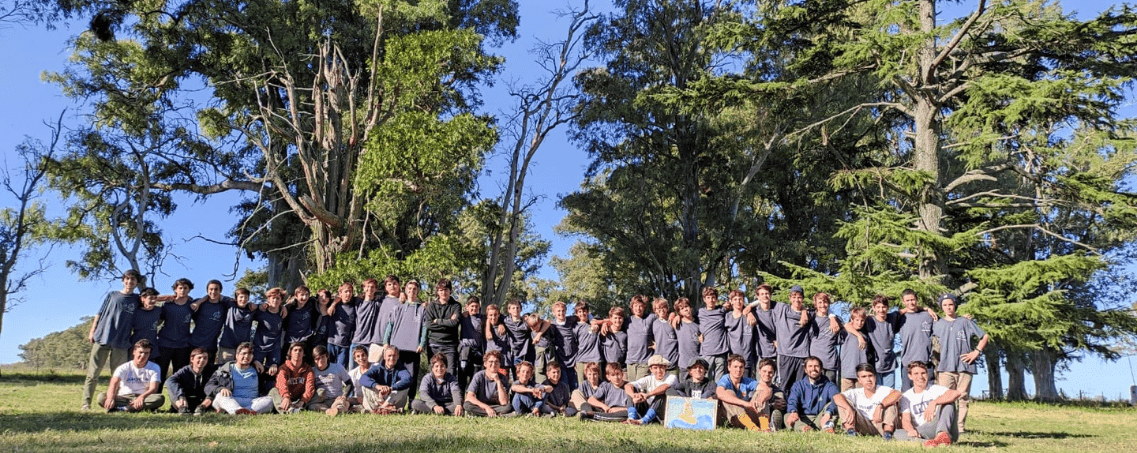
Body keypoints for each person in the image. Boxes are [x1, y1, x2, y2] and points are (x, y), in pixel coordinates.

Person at [82, 269, 141, 411]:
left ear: (136, 283)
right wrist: (92, 331)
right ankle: (86, 404)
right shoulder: (112, 295)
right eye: (127, 279)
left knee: (118, 376)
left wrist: (171, 297)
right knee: (93, 374)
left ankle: (114, 404)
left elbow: (153, 299)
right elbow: (99, 313)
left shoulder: (137, 299)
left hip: (122, 342)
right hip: (103, 338)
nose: (129, 282)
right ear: (123, 280)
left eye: (133, 280)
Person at [932, 293, 988, 434]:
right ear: (941, 307)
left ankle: (960, 427)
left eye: (950, 304)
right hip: (945, 366)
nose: (948, 307)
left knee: (962, 397)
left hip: (964, 365)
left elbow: (984, 336)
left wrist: (976, 352)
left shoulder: (965, 322)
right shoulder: (937, 324)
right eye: (944, 305)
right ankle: (944, 427)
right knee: (944, 398)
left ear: (955, 305)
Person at [898, 361, 961, 447]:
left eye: (923, 373)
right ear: (910, 376)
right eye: (916, 373)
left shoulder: (935, 389)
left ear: (927, 374)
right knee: (897, 433)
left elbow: (956, 393)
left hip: (940, 426)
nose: (920, 377)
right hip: (922, 431)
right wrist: (910, 430)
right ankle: (929, 442)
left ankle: (942, 435)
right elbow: (905, 419)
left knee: (949, 403)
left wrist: (934, 402)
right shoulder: (906, 396)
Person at [833, 363, 901, 439]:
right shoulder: (856, 392)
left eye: (870, 376)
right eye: (864, 377)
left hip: (880, 424)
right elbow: (837, 397)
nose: (868, 380)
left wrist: (880, 406)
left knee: (891, 404)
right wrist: (848, 408)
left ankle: (887, 434)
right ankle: (851, 431)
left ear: (875, 377)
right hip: (863, 425)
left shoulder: (882, 389)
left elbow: (897, 394)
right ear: (859, 380)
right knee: (844, 403)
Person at [205, 342, 274, 414]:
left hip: (252, 402)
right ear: (237, 355)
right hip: (232, 399)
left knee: (269, 400)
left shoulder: (258, 370)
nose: (247, 356)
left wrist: (274, 366)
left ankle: (243, 411)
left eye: (249, 354)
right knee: (220, 396)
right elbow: (208, 386)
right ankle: (239, 410)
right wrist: (221, 388)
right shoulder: (225, 369)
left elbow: (274, 376)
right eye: (243, 353)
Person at [848, 295, 900, 389]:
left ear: (888, 307)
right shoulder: (869, 320)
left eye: (884, 307)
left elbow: (907, 309)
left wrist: (926, 309)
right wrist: (859, 336)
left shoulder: (892, 317)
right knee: (875, 392)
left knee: (889, 392)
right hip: (874, 365)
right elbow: (847, 325)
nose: (881, 310)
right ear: (873, 308)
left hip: (889, 363)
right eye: (878, 307)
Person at [98, 339, 165, 412]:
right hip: (124, 397)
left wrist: (141, 397)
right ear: (134, 352)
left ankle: (124, 409)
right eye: (141, 352)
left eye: (146, 353)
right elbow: (113, 384)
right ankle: (136, 408)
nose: (143, 355)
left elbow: (153, 389)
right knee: (101, 397)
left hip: (143, 397)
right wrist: (110, 398)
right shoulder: (123, 367)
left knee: (159, 398)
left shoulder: (154, 367)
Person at [387, 279, 426, 401]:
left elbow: (425, 328)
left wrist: (422, 343)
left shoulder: (422, 309)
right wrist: (385, 342)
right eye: (409, 289)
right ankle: (393, 401)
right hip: (397, 348)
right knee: (395, 375)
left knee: (411, 377)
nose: (412, 291)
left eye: (414, 289)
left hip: (413, 349)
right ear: (405, 290)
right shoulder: (398, 307)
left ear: (418, 291)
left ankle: (411, 402)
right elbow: (390, 325)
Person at [771, 285, 813, 392]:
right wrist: (748, 307)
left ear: (802, 299)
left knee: (799, 387)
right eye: (794, 297)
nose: (796, 300)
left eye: (799, 297)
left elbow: (824, 310)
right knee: (783, 386)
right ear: (790, 298)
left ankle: (796, 408)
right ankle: (783, 408)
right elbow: (764, 300)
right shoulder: (782, 309)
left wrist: (804, 311)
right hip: (785, 354)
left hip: (801, 355)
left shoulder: (809, 314)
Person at [421, 279, 460, 391]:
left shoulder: (456, 306)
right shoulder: (431, 306)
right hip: (434, 344)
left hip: (450, 345)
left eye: (446, 290)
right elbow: (429, 325)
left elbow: (454, 323)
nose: (443, 293)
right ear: (437, 291)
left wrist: (437, 321)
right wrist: (447, 322)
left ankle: (449, 397)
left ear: (450, 291)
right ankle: (433, 396)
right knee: (434, 372)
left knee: (451, 372)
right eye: (441, 290)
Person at [716, 354, 772, 431]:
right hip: (733, 417)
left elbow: (767, 390)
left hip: (748, 416)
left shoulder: (747, 381)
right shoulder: (725, 379)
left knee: (761, 392)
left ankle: (765, 427)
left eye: (741, 367)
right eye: (735, 367)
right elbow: (720, 393)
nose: (738, 370)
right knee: (728, 393)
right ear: (729, 368)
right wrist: (745, 403)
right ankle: (752, 428)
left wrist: (760, 400)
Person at [784, 356, 839, 432]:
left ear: (821, 369)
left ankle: (827, 428)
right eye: (810, 366)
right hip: (802, 418)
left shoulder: (829, 385)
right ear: (805, 370)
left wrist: (828, 413)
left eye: (816, 366)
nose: (813, 369)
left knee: (834, 405)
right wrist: (794, 412)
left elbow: (836, 399)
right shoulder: (798, 385)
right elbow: (792, 400)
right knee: (787, 416)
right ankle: (804, 429)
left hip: (820, 418)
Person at [896, 289, 937, 391]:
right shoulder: (900, 318)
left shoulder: (928, 316)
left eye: (913, 300)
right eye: (908, 300)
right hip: (907, 363)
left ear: (917, 299)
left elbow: (946, 325)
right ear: (903, 301)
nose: (911, 302)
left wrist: (962, 319)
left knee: (928, 394)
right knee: (906, 395)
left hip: (926, 362)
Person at [156, 279, 195, 380]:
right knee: (160, 372)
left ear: (189, 290)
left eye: (185, 288)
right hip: (165, 342)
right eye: (180, 288)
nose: (182, 290)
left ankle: (179, 396)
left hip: (183, 344)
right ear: (175, 289)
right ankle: (156, 395)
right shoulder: (167, 304)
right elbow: (159, 320)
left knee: (180, 375)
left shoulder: (192, 305)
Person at [623, 354, 676, 425]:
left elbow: (664, 387)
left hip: (663, 410)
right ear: (651, 369)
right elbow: (627, 385)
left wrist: (647, 395)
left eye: (661, 367)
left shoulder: (672, 377)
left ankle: (643, 421)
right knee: (633, 390)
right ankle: (631, 418)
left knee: (661, 394)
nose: (659, 370)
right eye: (655, 368)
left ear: (665, 367)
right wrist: (634, 396)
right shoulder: (649, 378)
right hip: (649, 407)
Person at [189, 280, 232, 364]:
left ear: (220, 291)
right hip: (194, 344)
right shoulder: (199, 303)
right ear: (207, 290)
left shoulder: (224, 306)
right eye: (211, 289)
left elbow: (235, 302)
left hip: (211, 346)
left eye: (216, 289)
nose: (213, 292)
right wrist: (201, 300)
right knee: (190, 373)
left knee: (208, 375)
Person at [359, 345, 412, 413]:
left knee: (405, 387)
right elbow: (363, 378)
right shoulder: (377, 367)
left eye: (394, 355)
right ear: (384, 357)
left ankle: (382, 408)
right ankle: (388, 409)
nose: (392, 358)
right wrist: (377, 386)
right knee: (365, 386)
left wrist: (391, 388)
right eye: (389, 356)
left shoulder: (401, 368)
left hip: (392, 399)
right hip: (379, 397)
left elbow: (408, 380)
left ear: (398, 356)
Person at [165, 347, 218, 415]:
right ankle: (182, 408)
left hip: (203, 401)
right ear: (192, 359)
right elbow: (170, 380)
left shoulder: (211, 370)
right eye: (199, 358)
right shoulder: (185, 370)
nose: (202, 360)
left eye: (205, 358)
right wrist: (180, 395)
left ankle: (201, 408)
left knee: (215, 390)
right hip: (186, 400)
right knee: (173, 388)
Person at [463, 349, 513, 417]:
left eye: (496, 362)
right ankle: (496, 415)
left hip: (496, 406)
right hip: (481, 405)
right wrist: (486, 407)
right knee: (467, 405)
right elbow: (469, 396)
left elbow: (504, 402)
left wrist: (498, 382)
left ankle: (483, 414)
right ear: (485, 364)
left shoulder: (503, 378)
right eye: (490, 362)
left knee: (508, 407)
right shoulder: (479, 376)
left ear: (499, 364)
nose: (493, 364)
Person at [308, 345, 354, 415]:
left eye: (322, 357)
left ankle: (338, 409)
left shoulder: (337, 367)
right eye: (317, 359)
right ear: (314, 360)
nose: (320, 361)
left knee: (342, 404)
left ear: (327, 356)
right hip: (322, 401)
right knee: (312, 406)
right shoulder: (312, 371)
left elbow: (349, 383)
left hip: (337, 399)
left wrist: (344, 395)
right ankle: (329, 411)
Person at [253, 287, 288, 379]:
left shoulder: (282, 313)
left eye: (278, 298)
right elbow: (249, 308)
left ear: (281, 300)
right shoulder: (262, 312)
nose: (275, 300)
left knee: (272, 375)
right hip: (259, 346)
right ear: (268, 299)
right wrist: (259, 306)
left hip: (274, 348)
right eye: (273, 298)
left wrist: (283, 307)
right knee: (256, 373)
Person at [270, 342, 315, 413]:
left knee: (320, 391)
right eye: (295, 350)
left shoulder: (308, 369)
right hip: (285, 397)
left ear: (303, 354)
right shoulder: (284, 368)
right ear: (290, 353)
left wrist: (303, 401)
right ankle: (288, 410)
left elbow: (310, 387)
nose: (298, 352)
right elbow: (282, 384)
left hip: (300, 398)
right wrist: (286, 397)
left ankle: (299, 407)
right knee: (273, 391)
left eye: (300, 350)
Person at [697, 287, 731, 382]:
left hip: (721, 352)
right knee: (706, 379)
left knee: (719, 381)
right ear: (704, 299)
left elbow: (738, 306)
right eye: (708, 297)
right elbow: (689, 321)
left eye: (713, 297)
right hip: (706, 352)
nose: (711, 300)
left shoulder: (722, 310)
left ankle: (718, 396)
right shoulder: (700, 313)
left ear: (716, 299)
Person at [807, 292, 842, 382]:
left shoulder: (836, 320)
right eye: (820, 302)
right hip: (815, 361)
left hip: (830, 361)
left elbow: (848, 327)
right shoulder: (811, 318)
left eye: (825, 302)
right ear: (815, 304)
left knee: (830, 389)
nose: (823, 305)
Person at [838, 307, 874, 392]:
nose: (860, 323)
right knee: (847, 399)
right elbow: (845, 325)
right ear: (852, 319)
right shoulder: (845, 332)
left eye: (862, 320)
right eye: (857, 320)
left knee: (861, 399)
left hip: (862, 373)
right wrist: (859, 336)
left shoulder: (866, 333)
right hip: (847, 372)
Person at [216, 288, 255, 364]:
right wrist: (198, 302)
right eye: (241, 297)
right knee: (224, 372)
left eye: (246, 297)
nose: (243, 299)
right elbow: (216, 295)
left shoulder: (251, 309)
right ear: (236, 298)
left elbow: (264, 307)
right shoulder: (231, 305)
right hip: (227, 347)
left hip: (243, 350)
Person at [724, 290, 757, 377]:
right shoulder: (727, 316)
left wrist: (749, 307)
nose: (738, 302)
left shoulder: (751, 314)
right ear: (731, 301)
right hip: (732, 359)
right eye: (735, 299)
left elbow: (761, 301)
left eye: (740, 299)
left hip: (747, 358)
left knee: (745, 387)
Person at [129, 288, 162, 374]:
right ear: (143, 299)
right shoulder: (135, 311)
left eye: (155, 298)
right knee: (134, 372)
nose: (153, 300)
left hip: (152, 347)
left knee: (149, 373)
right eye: (150, 298)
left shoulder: (158, 311)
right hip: (136, 345)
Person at [325, 281, 358, 368]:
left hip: (345, 344)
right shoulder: (335, 304)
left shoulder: (354, 305)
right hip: (332, 342)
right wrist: (333, 304)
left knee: (341, 370)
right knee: (329, 368)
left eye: (350, 291)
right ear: (340, 293)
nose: (348, 294)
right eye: (346, 291)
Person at [624, 295, 657, 381]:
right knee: (632, 388)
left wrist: (673, 315)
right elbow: (613, 320)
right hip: (631, 361)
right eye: (635, 306)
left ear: (644, 307)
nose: (638, 308)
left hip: (644, 361)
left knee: (640, 388)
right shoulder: (627, 321)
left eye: (640, 306)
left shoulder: (650, 318)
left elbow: (663, 316)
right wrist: (602, 322)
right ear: (631, 307)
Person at [283, 286, 319, 363]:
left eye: (307, 295)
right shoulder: (289, 308)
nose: (304, 297)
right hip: (291, 341)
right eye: (302, 295)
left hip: (305, 340)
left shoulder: (312, 304)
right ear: (296, 296)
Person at [549, 301, 580, 389]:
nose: (561, 313)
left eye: (563, 310)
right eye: (558, 311)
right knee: (564, 386)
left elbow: (583, 316)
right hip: (561, 361)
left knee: (575, 386)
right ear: (554, 313)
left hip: (573, 360)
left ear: (566, 311)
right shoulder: (552, 325)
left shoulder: (571, 320)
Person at [573, 302, 604, 386]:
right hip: (581, 359)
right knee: (582, 385)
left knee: (597, 384)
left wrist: (595, 322)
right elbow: (574, 344)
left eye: (584, 311)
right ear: (576, 313)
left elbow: (608, 321)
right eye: (579, 312)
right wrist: (575, 361)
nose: (582, 313)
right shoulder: (575, 327)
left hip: (595, 358)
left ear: (587, 311)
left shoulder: (595, 322)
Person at [458, 296, 485, 388]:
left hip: (477, 350)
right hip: (465, 350)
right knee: (462, 375)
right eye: (472, 306)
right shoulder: (463, 317)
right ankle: (460, 400)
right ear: (467, 306)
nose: (474, 308)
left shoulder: (482, 318)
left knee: (475, 377)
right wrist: (461, 314)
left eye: (476, 306)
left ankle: (472, 399)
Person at [748, 284, 779, 363]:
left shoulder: (777, 309)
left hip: (776, 351)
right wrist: (749, 313)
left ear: (770, 295)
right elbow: (744, 310)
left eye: (767, 293)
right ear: (758, 297)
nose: (765, 296)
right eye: (762, 294)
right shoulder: (754, 311)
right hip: (760, 353)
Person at [673, 297, 702, 380]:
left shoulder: (698, 323)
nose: (685, 309)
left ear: (691, 307)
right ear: (679, 312)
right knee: (683, 389)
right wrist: (674, 315)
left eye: (686, 307)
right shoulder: (678, 323)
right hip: (684, 363)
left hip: (697, 363)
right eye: (682, 308)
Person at [649, 298, 679, 377]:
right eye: (658, 308)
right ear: (655, 310)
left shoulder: (673, 321)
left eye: (663, 307)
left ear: (667, 308)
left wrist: (675, 314)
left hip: (673, 362)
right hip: (659, 364)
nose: (661, 310)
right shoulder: (653, 323)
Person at [524, 313, 553, 383]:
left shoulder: (545, 327)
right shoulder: (531, 329)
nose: (533, 329)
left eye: (535, 327)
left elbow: (548, 322)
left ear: (540, 322)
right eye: (531, 327)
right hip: (539, 359)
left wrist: (539, 335)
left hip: (549, 355)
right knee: (540, 379)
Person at [599, 307, 627, 376]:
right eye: (615, 318)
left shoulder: (625, 334)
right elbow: (593, 322)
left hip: (622, 368)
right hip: (607, 368)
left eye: (620, 318)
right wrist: (605, 322)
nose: (618, 320)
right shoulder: (604, 332)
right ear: (610, 318)